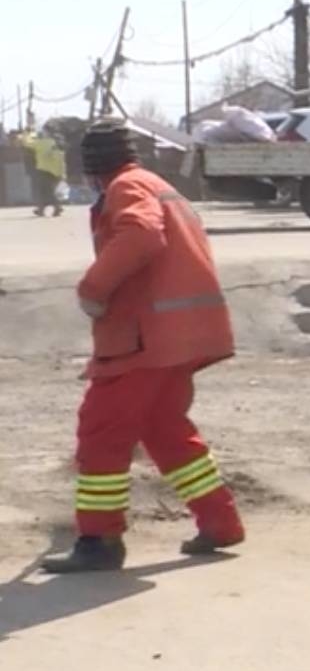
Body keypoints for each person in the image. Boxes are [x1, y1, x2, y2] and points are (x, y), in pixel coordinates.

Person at [43, 121, 244, 573]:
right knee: (165, 430)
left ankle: (99, 540)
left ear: (92, 168)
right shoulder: (155, 183)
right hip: (181, 335)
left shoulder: (126, 188)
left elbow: (141, 234)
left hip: (145, 340)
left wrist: (93, 289)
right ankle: (220, 521)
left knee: (100, 431)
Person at [23, 127, 67, 216]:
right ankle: (41, 209)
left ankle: (56, 207)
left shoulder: (41, 143)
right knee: (48, 190)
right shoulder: (55, 144)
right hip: (58, 171)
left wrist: (27, 133)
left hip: (44, 170)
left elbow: (27, 143)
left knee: (44, 191)